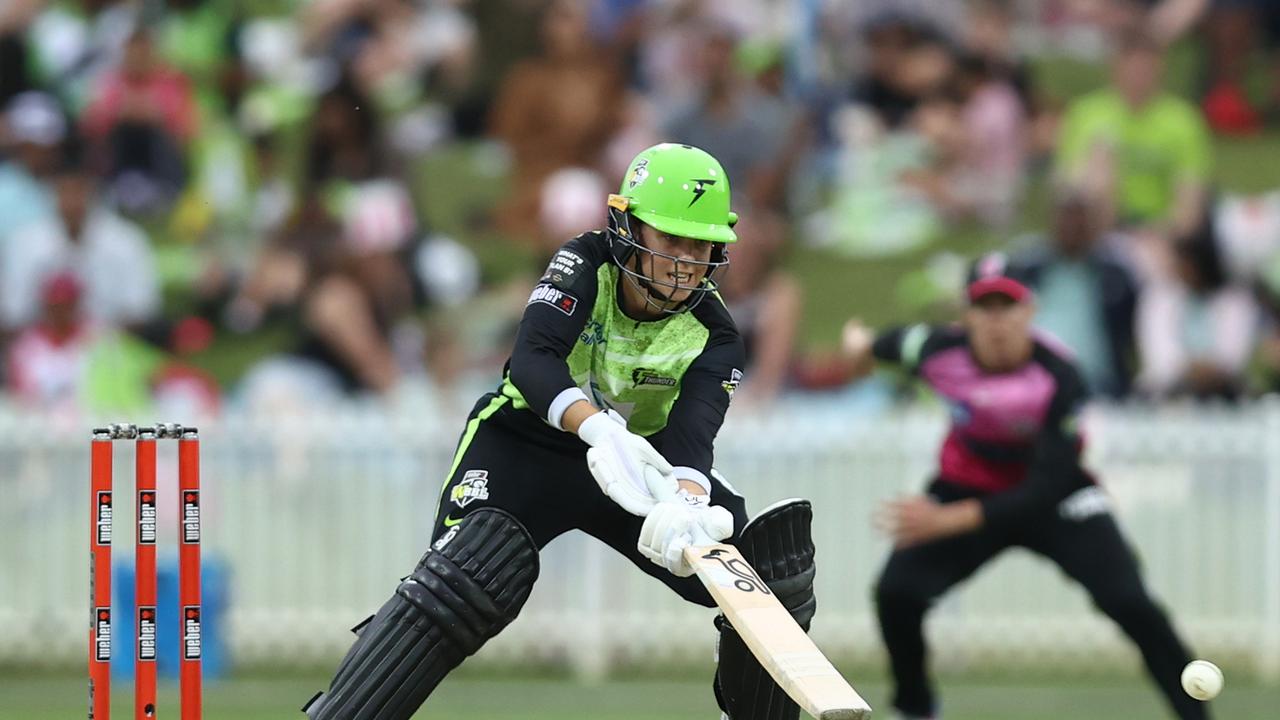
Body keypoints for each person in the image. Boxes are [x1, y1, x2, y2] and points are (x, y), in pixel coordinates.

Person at [303, 143, 819, 720]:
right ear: (628, 229)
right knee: (470, 571)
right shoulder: (583, 262)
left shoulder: (716, 333)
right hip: (526, 442)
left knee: (771, 573)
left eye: (699, 245)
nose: (684, 262)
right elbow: (532, 360)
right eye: (670, 240)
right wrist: (598, 429)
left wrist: (688, 496)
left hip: (639, 469)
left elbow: (693, 436)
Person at [840, 253, 1208, 720]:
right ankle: (914, 709)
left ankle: (1195, 715)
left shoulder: (1059, 375)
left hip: (1055, 498)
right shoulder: (934, 349)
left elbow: (1049, 483)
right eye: (983, 308)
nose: (996, 323)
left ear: (1029, 311)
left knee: (1129, 601)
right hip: (966, 486)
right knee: (897, 593)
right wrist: (858, 347)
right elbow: (880, 344)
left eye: (1007, 307)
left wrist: (947, 519)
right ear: (965, 315)